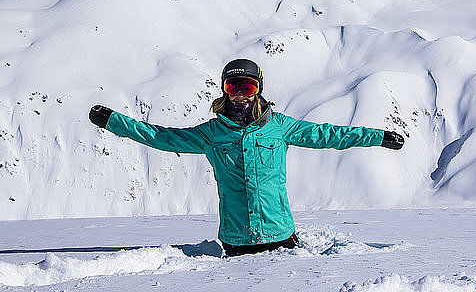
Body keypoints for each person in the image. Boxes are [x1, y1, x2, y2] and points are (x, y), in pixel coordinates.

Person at [89, 58, 405, 257]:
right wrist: (115, 121)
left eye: (248, 86)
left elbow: (330, 135)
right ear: (224, 90)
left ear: (259, 90)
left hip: (281, 236)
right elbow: (162, 136)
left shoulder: (280, 127)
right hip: (236, 241)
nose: (240, 94)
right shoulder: (211, 134)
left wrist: (376, 136)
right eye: (233, 86)